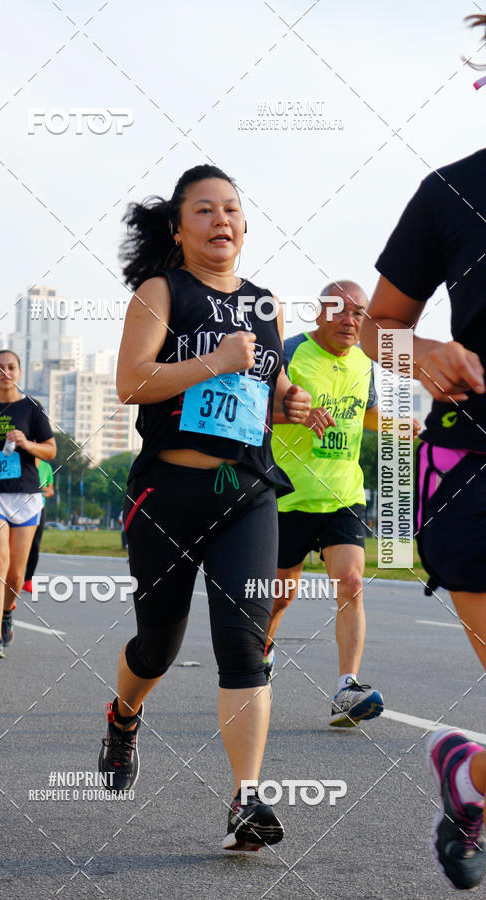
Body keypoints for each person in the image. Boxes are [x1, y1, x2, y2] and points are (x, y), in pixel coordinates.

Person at [96, 164, 312, 851]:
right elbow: (133, 381)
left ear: (245, 225)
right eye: (204, 210)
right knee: (157, 645)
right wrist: (214, 362)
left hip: (246, 494)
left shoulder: (268, 305)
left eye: (232, 210)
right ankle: (124, 714)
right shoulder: (161, 292)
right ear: (177, 227)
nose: (221, 220)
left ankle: (245, 801)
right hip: (168, 495)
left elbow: (258, 395)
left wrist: (287, 404)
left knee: (244, 645)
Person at [359, 14, 486, 890]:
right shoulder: (450, 194)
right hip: (475, 473)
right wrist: (426, 355)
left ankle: (469, 777)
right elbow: (377, 331)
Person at [268, 282, 420, 727]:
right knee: (280, 596)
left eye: (358, 313)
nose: (350, 321)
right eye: (340, 311)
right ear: (319, 313)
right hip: (287, 494)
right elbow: (258, 405)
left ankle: (346, 688)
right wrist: (294, 411)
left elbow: (366, 411)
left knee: (351, 581)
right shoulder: (290, 351)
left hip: (344, 495)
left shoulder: (363, 362)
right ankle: (261, 653)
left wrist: (393, 423)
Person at [0, 350, 56, 658]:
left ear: (20, 371)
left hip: (26, 496)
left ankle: (7, 610)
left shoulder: (32, 409)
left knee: (16, 573)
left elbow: (51, 451)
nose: (5, 372)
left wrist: (26, 443)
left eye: (11, 367)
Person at [22, 457, 54, 593]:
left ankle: (28, 580)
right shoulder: (21, 462)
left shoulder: (46, 467)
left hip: (39, 508)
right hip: (20, 507)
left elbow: (51, 490)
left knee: (35, 545)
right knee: (19, 545)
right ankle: (12, 577)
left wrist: (46, 491)